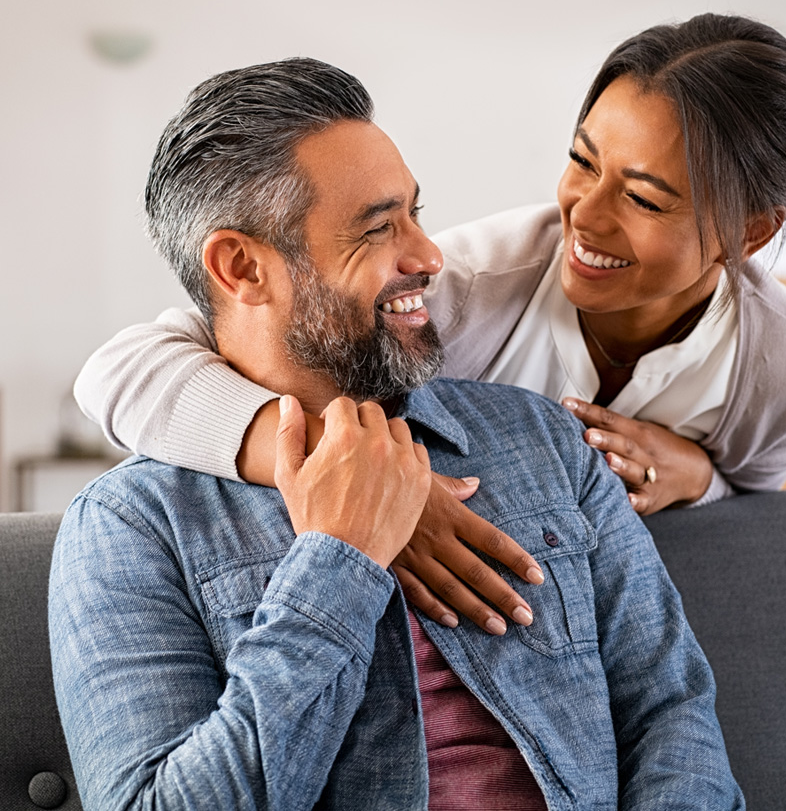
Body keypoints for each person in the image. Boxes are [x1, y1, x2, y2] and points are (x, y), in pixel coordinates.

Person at [49, 58, 744, 810]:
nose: (429, 255)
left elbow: (672, 710)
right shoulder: (131, 526)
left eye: (415, 212)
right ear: (242, 266)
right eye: (379, 228)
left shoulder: (544, 438)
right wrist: (337, 562)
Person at [74, 13, 786, 633]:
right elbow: (121, 371)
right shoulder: (467, 286)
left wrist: (701, 478)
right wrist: (360, 478)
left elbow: (754, 511)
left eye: (645, 197)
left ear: (750, 232)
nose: (582, 216)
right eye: (582, 160)